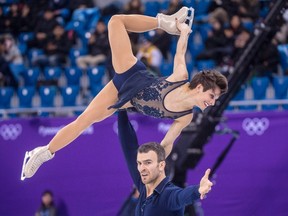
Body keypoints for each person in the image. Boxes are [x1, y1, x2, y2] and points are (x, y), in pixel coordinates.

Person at [21, 7, 228, 180]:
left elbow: (166, 143)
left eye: (215, 99)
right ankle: (44, 153)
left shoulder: (186, 116)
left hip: (124, 99)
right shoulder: (181, 76)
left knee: (84, 121)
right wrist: (182, 30)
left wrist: (155, 165)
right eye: (212, 95)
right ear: (200, 87)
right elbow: (181, 51)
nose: (213, 101)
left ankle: (42, 150)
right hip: (131, 73)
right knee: (115, 21)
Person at [117, 110, 213, 215]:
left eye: (148, 162)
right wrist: (122, 110)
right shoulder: (143, 185)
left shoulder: (168, 194)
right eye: (139, 163)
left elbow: (182, 196)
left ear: (161, 165)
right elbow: (128, 145)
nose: (141, 168)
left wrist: (199, 189)